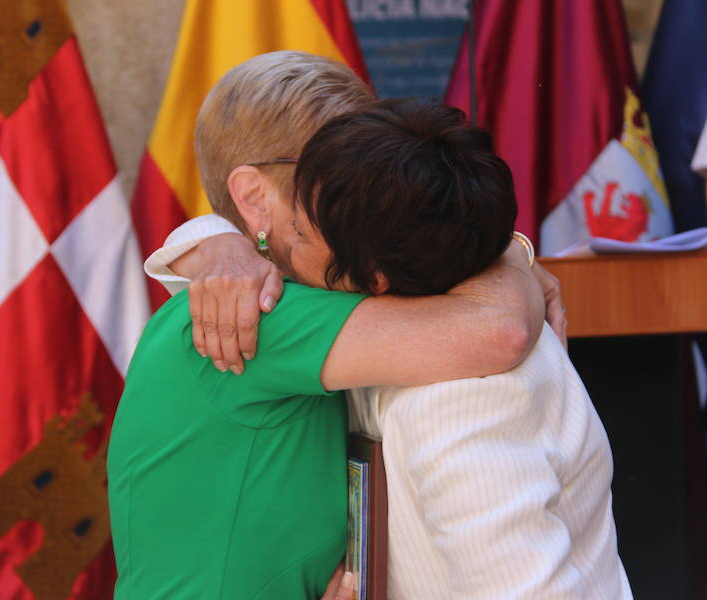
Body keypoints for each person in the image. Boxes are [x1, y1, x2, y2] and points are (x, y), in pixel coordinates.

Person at [151, 90, 631, 596]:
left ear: (373, 278)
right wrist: (218, 244)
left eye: (301, 232)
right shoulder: (397, 308)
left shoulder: (463, 400)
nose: (279, 240)